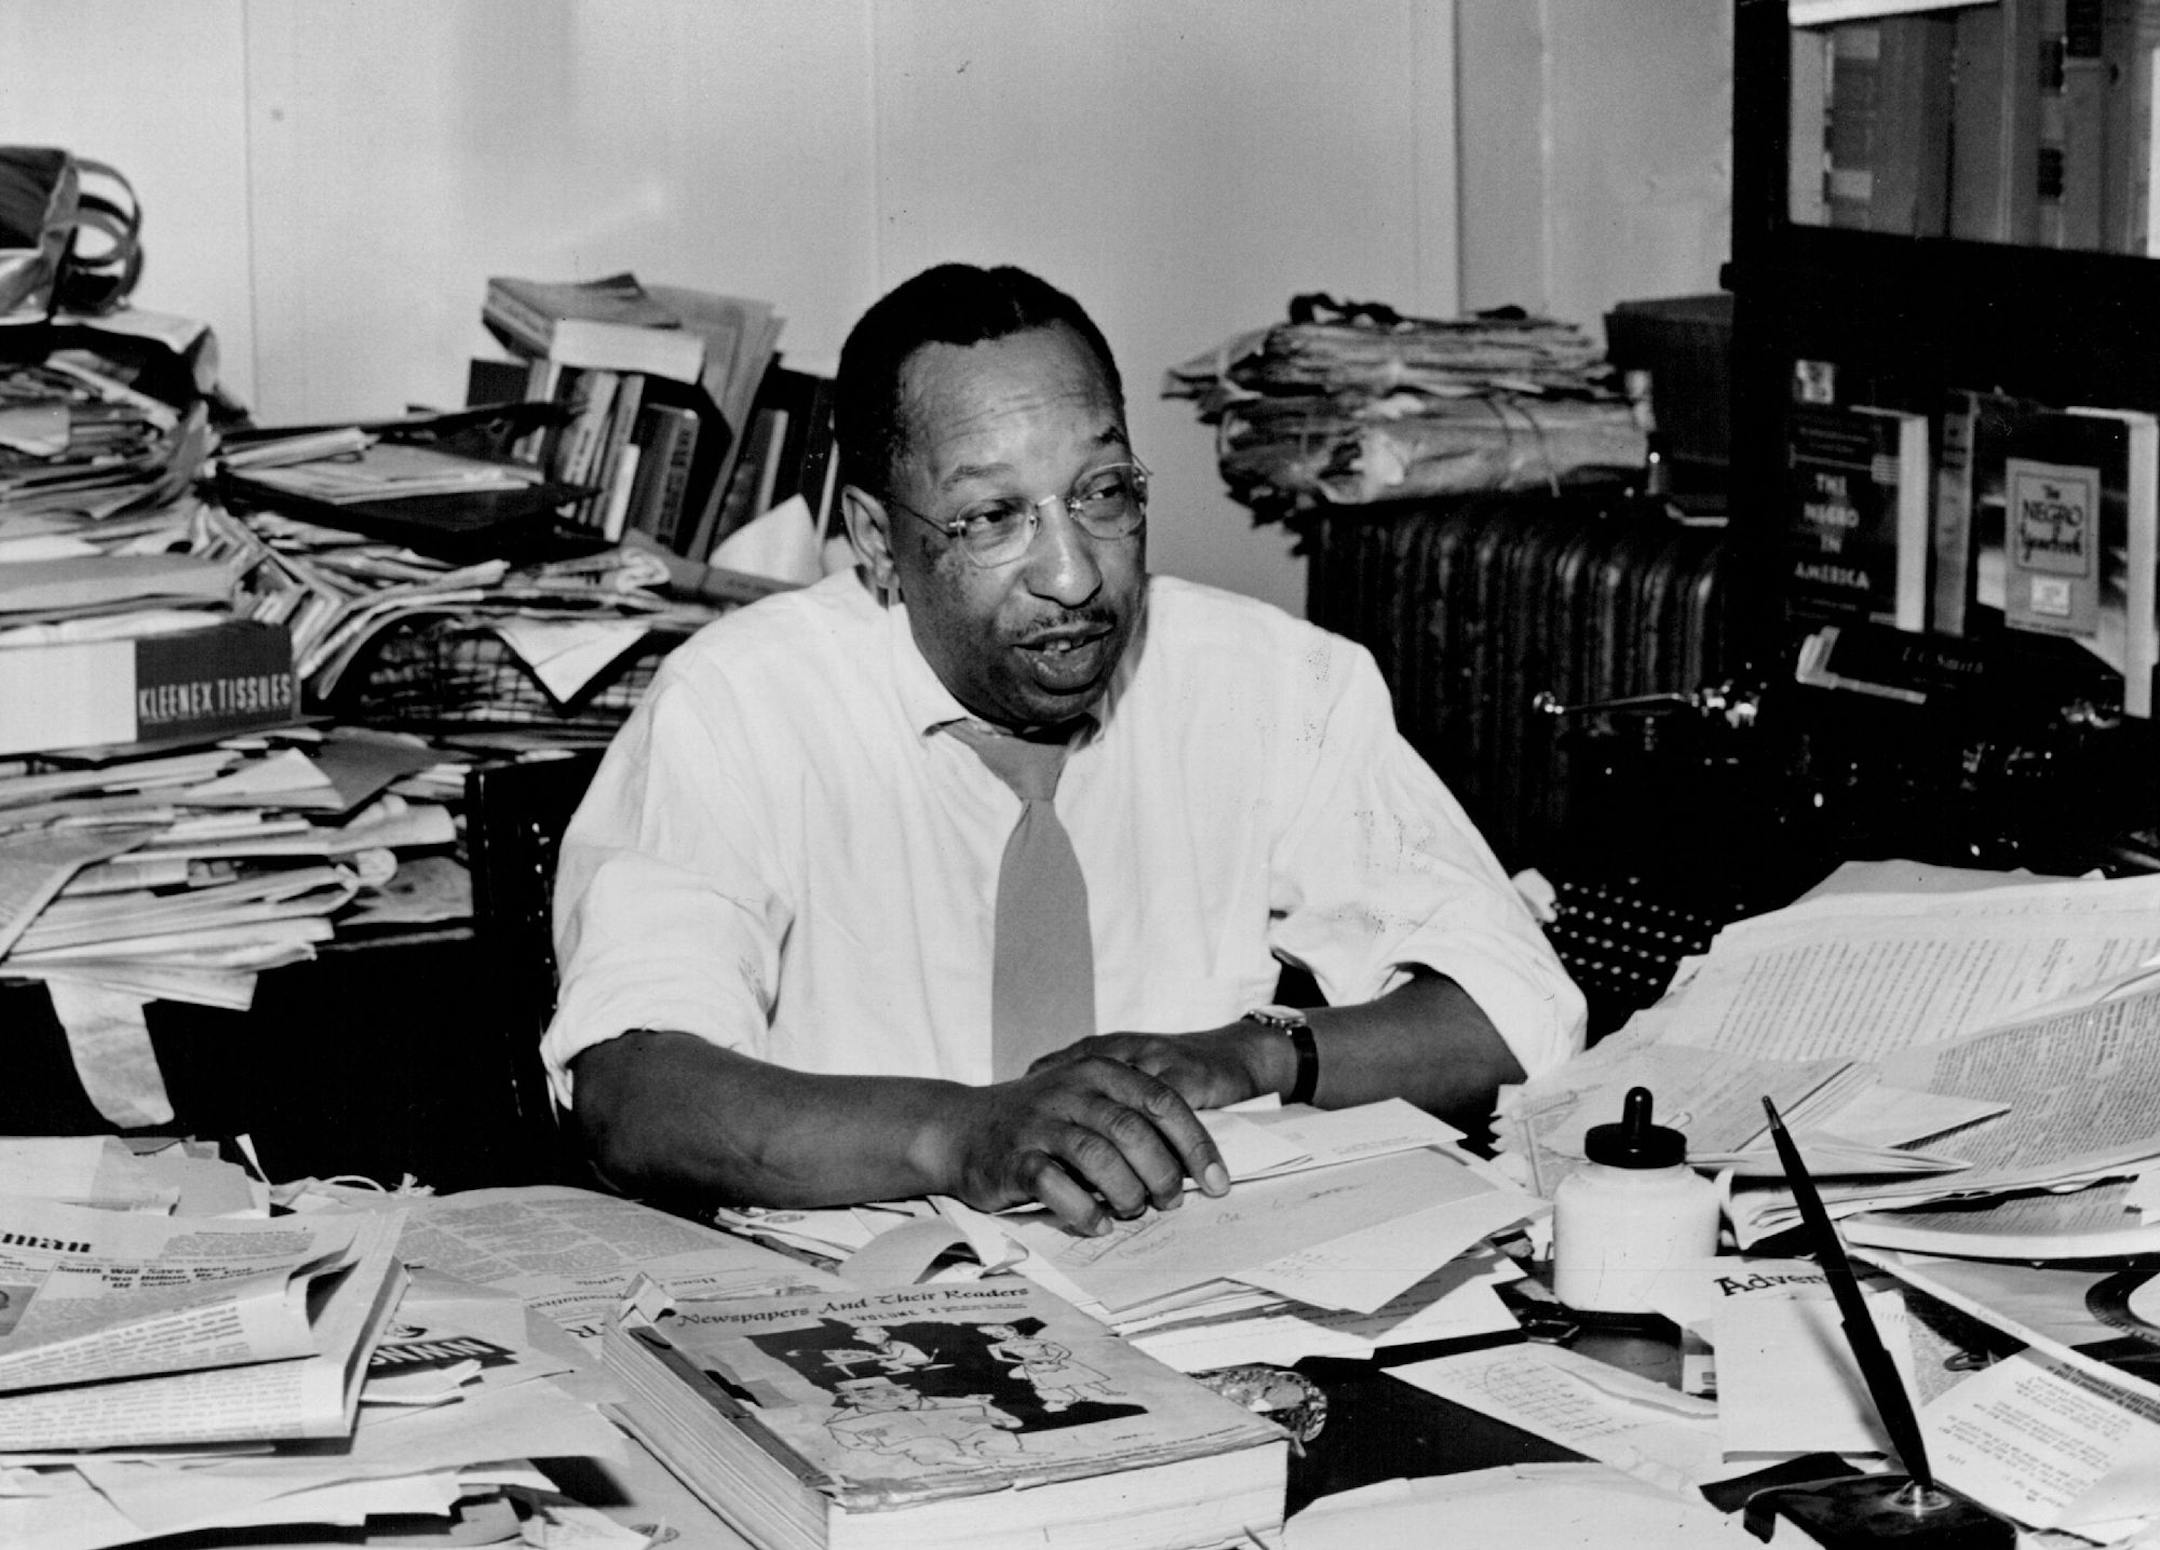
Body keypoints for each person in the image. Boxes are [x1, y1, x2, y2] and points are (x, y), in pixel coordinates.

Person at [544, 262, 1585, 1236]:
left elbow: (1515, 1011)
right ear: (874, 536)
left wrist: (1250, 1054)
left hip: (1189, 1287)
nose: (1075, 574)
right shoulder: (742, 704)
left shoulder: (1275, 681)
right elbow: (634, 1093)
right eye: (993, 516)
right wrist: (963, 1132)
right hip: (868, 1302)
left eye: (1104, 493)